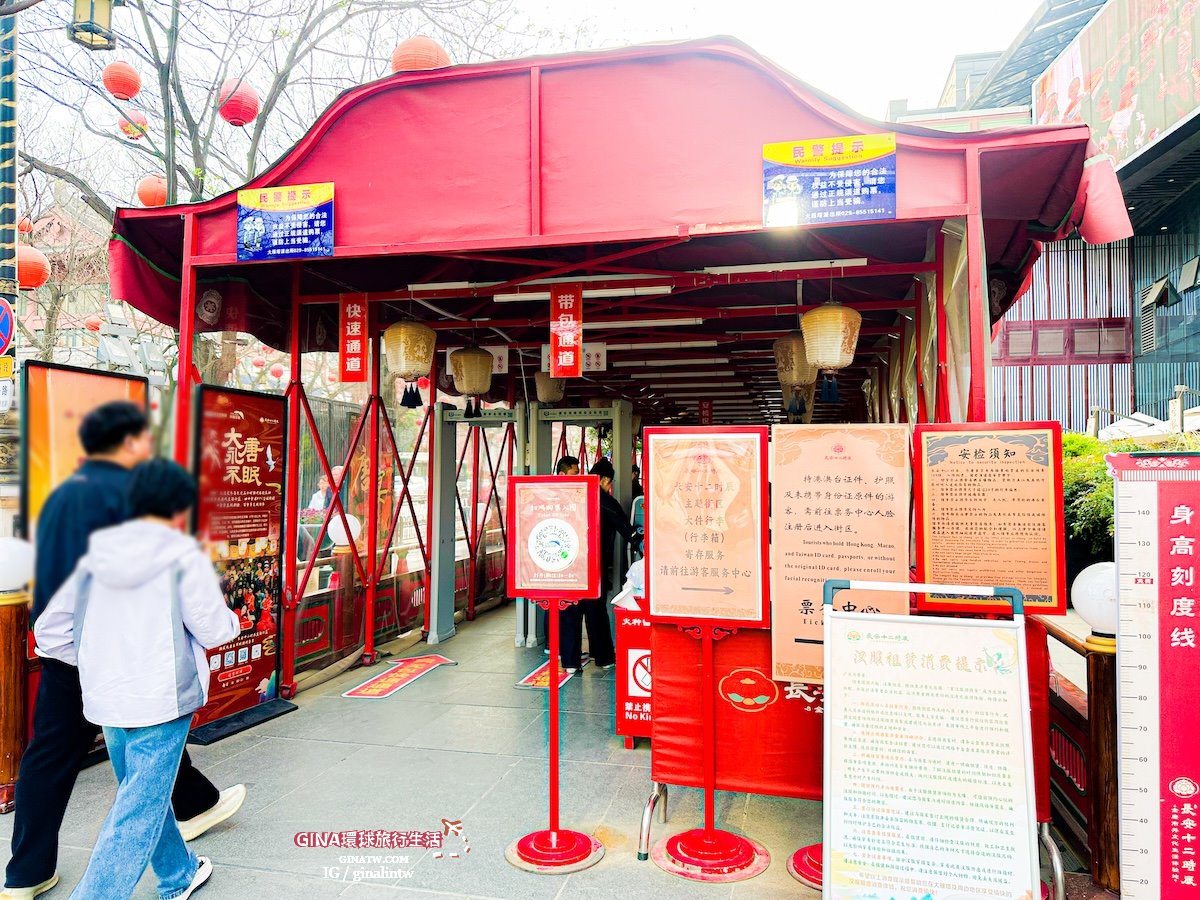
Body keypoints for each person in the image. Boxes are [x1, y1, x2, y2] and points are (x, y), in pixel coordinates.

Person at [3, 402, 245, 900]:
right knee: (136, 809)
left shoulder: (90, 550)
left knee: (140, 793)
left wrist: (94, 660)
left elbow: (51, 630)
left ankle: (178, 873)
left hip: (105, 697)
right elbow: (214, 629)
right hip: (160, 698)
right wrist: (233, 620)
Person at [560, 458, 637, 674]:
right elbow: (627, 531)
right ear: (603, 480)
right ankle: (602, 657)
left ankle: (570, 662)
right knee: (596, 611)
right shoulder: (606, 501)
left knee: (570, 610)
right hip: (593, 565)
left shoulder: (569, 497)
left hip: (569, 564)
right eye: (609, 483)